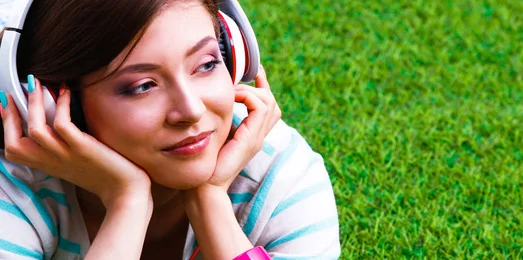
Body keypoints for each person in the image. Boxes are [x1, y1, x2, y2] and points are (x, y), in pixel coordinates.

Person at [0, 0, 340, 259]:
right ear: (58, 105)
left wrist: (210, 202)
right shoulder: (19, 186)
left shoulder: (279, 176)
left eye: (207, 64)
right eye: (142, 86)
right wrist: (127, 203)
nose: (191, 111)